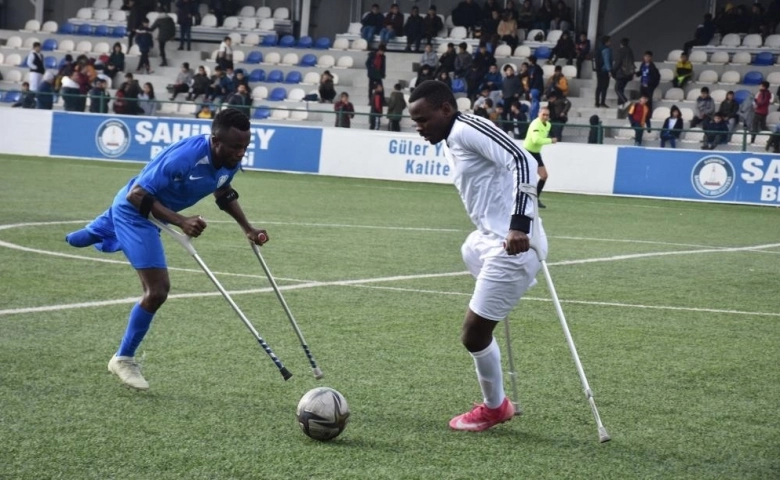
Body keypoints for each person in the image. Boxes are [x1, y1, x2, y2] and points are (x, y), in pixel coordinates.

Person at [64, 109, 267, 390]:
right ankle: (122, 358)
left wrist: (248, 227)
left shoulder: (230, 158)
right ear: (215, 141)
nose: (241, 153)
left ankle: (93, 233)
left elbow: (222, 189)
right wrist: (181, 220)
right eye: (235, 147)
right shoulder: (185, 158)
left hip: (150, 207)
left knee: (78, 239)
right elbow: (137, 194)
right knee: (157, 291)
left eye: (245, 146)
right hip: (135, 212)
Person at [407, 80, 545, 432]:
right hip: (487, 240)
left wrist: (519, 225)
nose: (419, 128)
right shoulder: (451, 138)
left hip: (515, 243)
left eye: (423, 120)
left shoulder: (469, 129)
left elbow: (523, 160)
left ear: (446, 110)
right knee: (468, 246)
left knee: (473, 334)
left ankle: (494, 408)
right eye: (415, 122)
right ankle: (506, 293)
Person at [523, 106, 555, 208]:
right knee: (526, 178)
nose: (545, 117)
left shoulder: (548, 125)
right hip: (527, 152)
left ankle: (534, 199)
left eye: (547, 115)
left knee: (544, 176)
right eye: (543, 115)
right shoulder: (535, 124)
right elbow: (536, 140)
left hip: (536, 153)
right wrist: (551, 140)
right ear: (538, 115)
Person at [636, 51, 660, 127]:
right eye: (645, 56)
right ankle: (641, 113)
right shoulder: (642, 64)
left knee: (648, 101)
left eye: (648, 57)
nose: (646, 58)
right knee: (641, 100)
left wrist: (652, 85)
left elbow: (656, 77)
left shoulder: (652, 67)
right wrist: (636, 73)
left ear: (650, 58)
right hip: (643, 85)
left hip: (649, 86)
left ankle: (648, 115)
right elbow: (641, 73)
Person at [612, 38, 634, 109]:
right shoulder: (630, 51)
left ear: (621, 44)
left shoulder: (620, 51)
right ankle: (620, 105)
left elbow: (618, 63)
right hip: (629, 73)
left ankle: (626, 101)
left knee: (617, 89)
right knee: (621, 89)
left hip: (621, 73)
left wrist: (613, 72)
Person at [594, 36, 612, 108]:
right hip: (604, 71)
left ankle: (596, 102)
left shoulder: (599, 49)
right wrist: (609, 70)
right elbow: (607, 61)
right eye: (609, 41)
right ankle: (602, 102)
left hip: (598, 70)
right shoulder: (607, 50)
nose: (610, 42)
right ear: (606, 42)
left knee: (599, 86)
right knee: (604, 87)